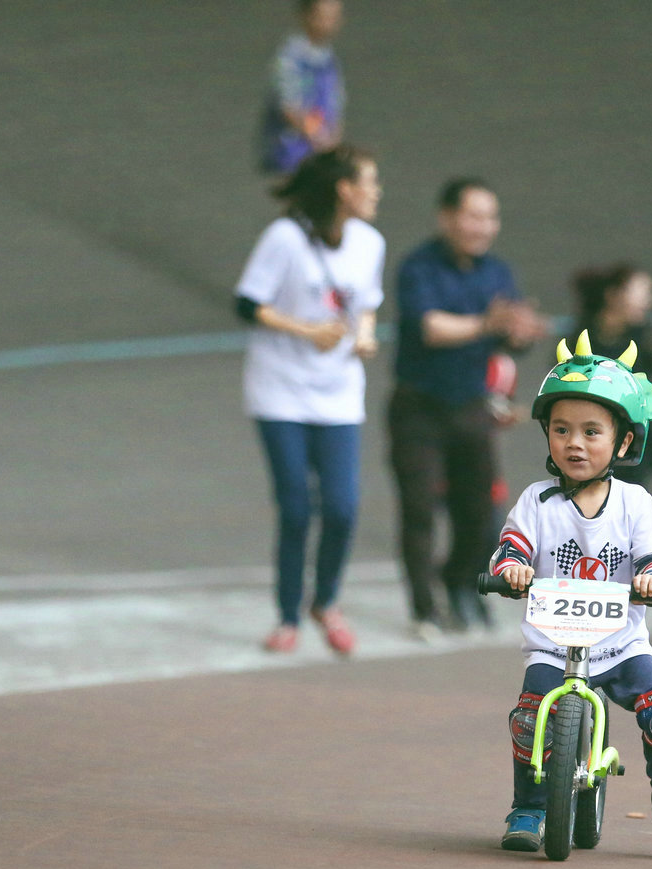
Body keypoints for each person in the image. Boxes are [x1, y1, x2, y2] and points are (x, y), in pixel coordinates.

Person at [490, 334, 652, 851]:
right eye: (561, 430)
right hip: (552, 641)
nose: (575, 443)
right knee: (529, 720)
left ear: (624, 442)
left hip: (619, 641)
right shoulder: (537, 502)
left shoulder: (635, 503)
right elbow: (512, 546)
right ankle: (528, 808)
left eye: (592, 431)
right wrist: (514, 567)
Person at [233, 145, 384, 655]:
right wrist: (305, 329)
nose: (376, 192)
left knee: (342, 506)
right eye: (369, 182)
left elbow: (364, 306)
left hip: (338, 392)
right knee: (297, 507)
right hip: (280, 391)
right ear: (344, 189)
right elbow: (247, 302)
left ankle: (326, 600)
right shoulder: (285, 238)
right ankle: (287, 615)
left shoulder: (369, 243)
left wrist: (363, 335)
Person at [390, 177, 550, 639]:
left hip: (470, 405)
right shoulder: (418, 267)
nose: (484, 227)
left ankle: (459, 583)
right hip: (418, 406)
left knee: (478, 508)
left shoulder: (496, 273)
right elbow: (430, 328)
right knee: (419, 509)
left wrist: (518, 333)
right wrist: (489, 323)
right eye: (474, 216)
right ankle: (424, 607)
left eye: (491, 217)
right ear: (447, 217)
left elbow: (502, 337)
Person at [571, 263, 652, 487]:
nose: (647, 302)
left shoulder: (646, 334)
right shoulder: (585, 333)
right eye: (641, 293)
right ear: (613, 295)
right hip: (589, 434)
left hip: (632, 435)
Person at [257, 0, 347, 177]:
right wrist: (319, 138)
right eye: (324, 16)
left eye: (335, 16)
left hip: (321, 157)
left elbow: (335, 104)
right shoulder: (291, 57)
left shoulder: (329, 59)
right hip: (290, 155)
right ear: (306, 16)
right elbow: (288, 106)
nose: (331, 22)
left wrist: (334, 141)